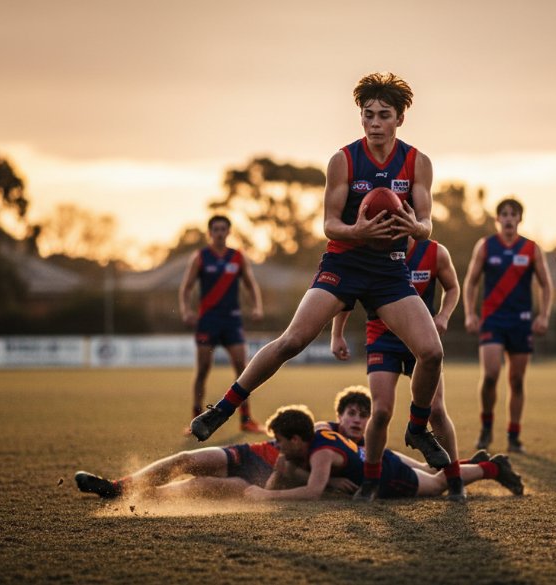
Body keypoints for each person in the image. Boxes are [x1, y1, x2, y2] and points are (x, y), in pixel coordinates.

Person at [190, 72, 450, 473]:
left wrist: (415, 228)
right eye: (368, 115)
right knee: (292, 340)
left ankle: (417, 428)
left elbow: (427, 223)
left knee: (431, 352)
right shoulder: (344, 159)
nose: (375, 122)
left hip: (389, 270)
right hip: (344, 263)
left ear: (400, 119)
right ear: (360, 117)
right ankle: (224, 407)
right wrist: (358, 231)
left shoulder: (418, 162)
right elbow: (329, 224)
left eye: (384, 115)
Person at [330, 238, 466, 501]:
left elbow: (452, 287)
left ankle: (455, 478)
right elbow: (346, 293)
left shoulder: (435, 252)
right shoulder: (369, 248)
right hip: (383, 340)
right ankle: (371, 481)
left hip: (420, 340)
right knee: (380, 412)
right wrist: (337, 334)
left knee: (436, 411)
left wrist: (443, 315)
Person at [74, 386, 373, 500]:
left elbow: (300, 476)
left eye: (363, 416)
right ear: (340, 415)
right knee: (185, 462)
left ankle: (133, 498)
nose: (356, 421)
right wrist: (329, 484)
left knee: (195, 487)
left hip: (259, 480)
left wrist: (329, 484)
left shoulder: (361, 456)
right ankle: (117, 487)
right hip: (250, 454)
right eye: (351, 414)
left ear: (373, 421)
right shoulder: (321, 429)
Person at [242, 405, 524, 502]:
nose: (277, 446)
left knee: (439, 483)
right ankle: (473, 465)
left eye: (280, 440)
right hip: (376, 458)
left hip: (389, 475)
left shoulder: (321, 454)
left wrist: (267, 496)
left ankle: (495, 468)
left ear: (296, 438)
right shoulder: (316, 430)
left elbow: (312, 492)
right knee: (432, 472)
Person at [463, 198, 553, 453]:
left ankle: (514, 437)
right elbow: (470, 282)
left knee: (517, 380)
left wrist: (543, 315)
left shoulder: (531, 249)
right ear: (498, 219)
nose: (509, 218)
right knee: (491, 375)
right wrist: (470, 314)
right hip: (493, 319)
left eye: (513, 214)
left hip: (521, 321)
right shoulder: (486, 246)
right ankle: (486, 430)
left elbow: (546, 284)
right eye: (504, 214)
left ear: (520, 219)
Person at [179, 215, 265, 434]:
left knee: (242, 370)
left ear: (228, 232)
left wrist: (257, 306)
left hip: (232, 320)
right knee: (203, 370)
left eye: (223, 229)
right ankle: (195, 418)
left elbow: (250, 284)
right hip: (207, 321)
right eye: (215, 229)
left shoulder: (237, 257)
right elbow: (186, 287)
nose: (219, 232)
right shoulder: (200, 257)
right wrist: (186, 310)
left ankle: (246, 419)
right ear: (210, 233)